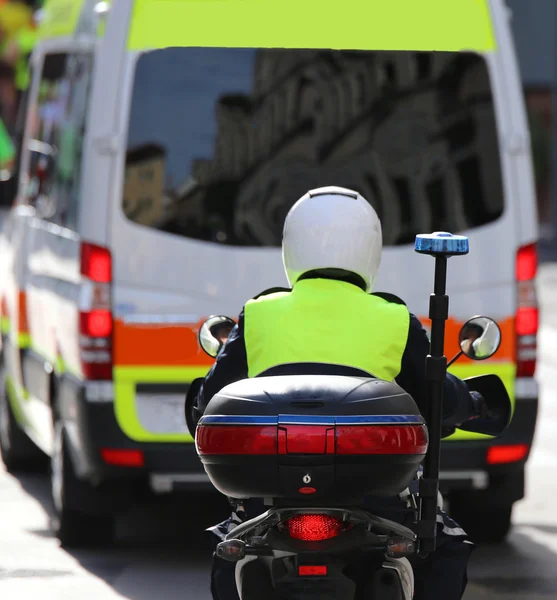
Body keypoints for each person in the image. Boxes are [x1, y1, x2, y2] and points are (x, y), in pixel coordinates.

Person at [190, 186, 487, 600]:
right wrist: (471, 403)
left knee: (229, 545)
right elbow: (438, 398)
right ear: (371, 249)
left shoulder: (259, 313)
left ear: (290, 247)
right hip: (376, 500)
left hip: (270, 501)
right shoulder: (394, 317)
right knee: (444, 545)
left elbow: (211, 399)